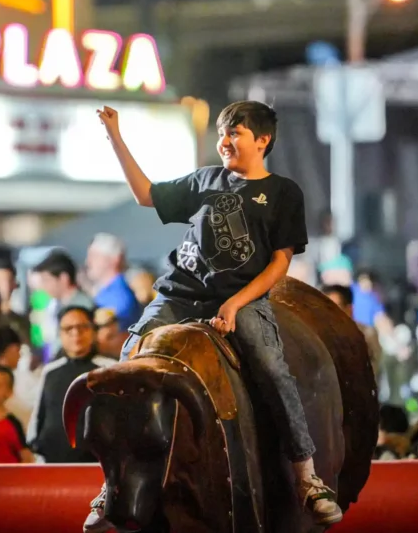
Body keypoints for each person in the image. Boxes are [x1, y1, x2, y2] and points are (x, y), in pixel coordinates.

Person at [90, 100, 342, 529]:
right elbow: (145, 194)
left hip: (240, 300)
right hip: (178, 295)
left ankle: (306, 476)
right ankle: (111, 488)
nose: (224, 140)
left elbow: (280, 262)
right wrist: (115, 136)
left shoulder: (283, 193)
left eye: (236, 133)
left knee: (271, 366)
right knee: (129, 360)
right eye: (223, 132)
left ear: (263, 140)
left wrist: (235, 303)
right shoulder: (205, 179)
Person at [28, 305, 115, 464]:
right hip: (52, 465)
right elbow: (37, 420)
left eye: (82, 327)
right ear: (60, 334)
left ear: (93, 331)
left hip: (97, 466)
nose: (76, 334)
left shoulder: (110, 370)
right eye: (69, 328)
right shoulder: (50, 371)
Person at [323, 285, 382, 381]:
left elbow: (371, 373)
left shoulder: (366, 335)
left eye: (333, 308)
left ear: (349, 309)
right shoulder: (316, 337)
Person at [85, 234, 143, 331]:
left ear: (115, 259)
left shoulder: (119, 296)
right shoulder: (106, 291)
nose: (88, 262)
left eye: (94, 256)